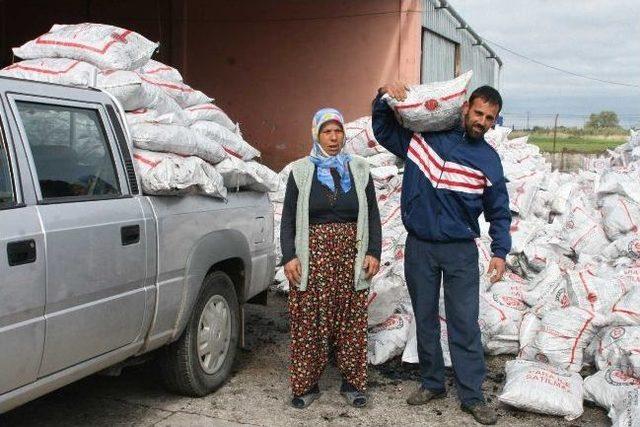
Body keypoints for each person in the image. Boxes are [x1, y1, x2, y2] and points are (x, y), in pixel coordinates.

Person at [371, 84, 511, 425]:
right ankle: (432, 383)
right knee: (426, 317)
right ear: (464, 108)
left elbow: (499, 211)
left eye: (489, 118)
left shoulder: (488, 160)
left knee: (464, 322)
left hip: (460, 249)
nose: (482, 121)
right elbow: (384, 130)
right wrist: (382, 95)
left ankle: (473, 396)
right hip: (420, 245)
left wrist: (500, 250)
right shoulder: (423, 140)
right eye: (478, 113)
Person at [280, 108, 382, 409]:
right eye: (327, 131)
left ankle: (353, 384)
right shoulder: (300, 171)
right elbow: (287, 219)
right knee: (309, 320)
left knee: (351, 320)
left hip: (351, 258)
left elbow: (373, 215)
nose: (334, 137)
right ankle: (306, 386)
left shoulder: (360, 168)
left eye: (338, 131)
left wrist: (373, 251)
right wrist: (290, 256)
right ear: (316, 134)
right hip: (313, 258)